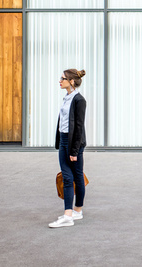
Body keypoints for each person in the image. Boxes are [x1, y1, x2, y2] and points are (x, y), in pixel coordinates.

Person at [48, 69, 87, 228]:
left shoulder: (79, 100)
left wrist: (74, 151)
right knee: (73, 176)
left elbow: (78, 127)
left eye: (63, 78)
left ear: (71, 81)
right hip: (64, 140)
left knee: (71, 176)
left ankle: (68, 215)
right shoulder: (67, 98)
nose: (60, 81)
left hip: (73, 143)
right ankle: (76, 211)